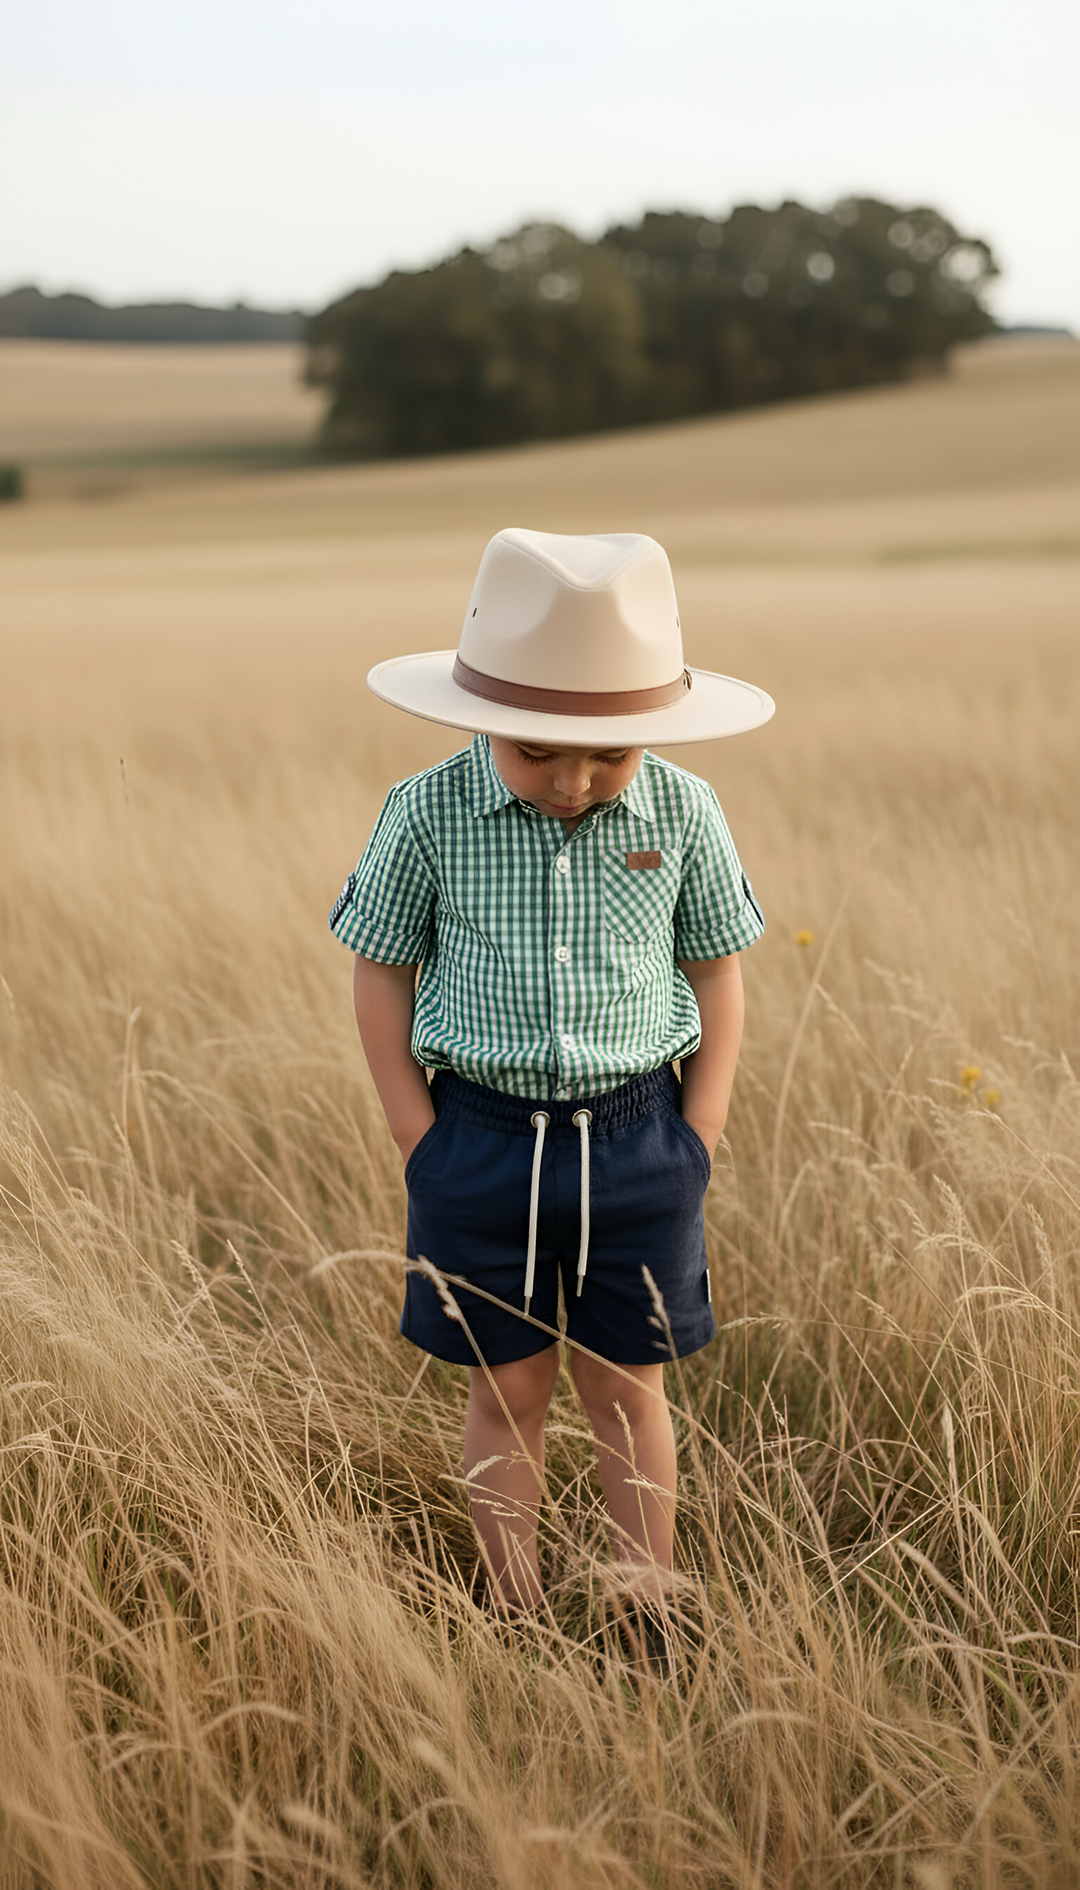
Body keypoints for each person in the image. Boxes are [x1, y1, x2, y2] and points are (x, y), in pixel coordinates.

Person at [329, 528, 773, 1617]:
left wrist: (698, 1134)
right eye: (537, 753)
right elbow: (381, 968)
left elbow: (717, 973)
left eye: (607, 755)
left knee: (629, 1391)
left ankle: (647, 1607)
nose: (573, 780)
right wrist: (415, 1135)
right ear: (484, 718)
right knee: (509, 1385)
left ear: (649, 733)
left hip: (640, 1141)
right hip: (477, 1142)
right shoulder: (426, 814)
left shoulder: (685, 812)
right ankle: (514, 1604)